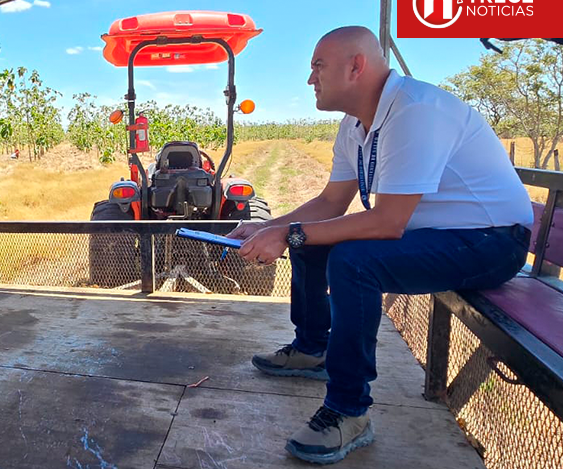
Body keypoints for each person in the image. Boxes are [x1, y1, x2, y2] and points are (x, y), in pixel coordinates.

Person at [228, 26, 533, 464]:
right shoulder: (355, 125)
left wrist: (287, 233)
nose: (310, 79)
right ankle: (313, 349)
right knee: (311, 242)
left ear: (356, 66)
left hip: (491, 241)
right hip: (434, 236)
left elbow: (387, 223)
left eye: (318, 66)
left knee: (353, 261)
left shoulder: (415, 110)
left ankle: (348, 411)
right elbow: (330, 203)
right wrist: (267, 227)